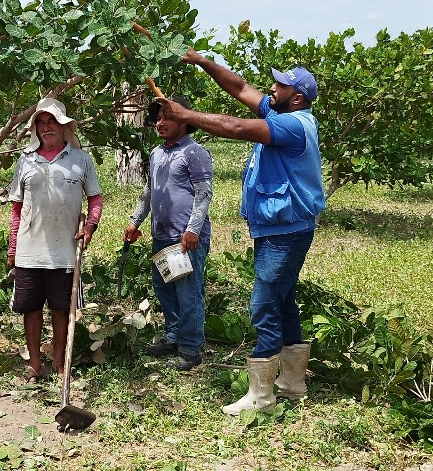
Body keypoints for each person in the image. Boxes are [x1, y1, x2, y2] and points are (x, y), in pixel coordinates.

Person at [159, 50, 326, 415]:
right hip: (283, 226)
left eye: (279, 85)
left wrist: (186, 115)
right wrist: (203, 62)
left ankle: (262, 397)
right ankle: (292, 383)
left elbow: (234, 127)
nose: (271, 88)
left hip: (286, 230)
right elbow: (239, 87)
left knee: (264, 303)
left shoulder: (292, 125)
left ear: (296, 97)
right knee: (282, 300)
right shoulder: (284, 112)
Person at [6, 97, 103, 382]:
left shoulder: (80, 160)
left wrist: (90, 226)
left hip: (64, 251)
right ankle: (35, 364)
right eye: (41, 123)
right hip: (29, 249)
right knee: (31, 309)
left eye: (53, 122)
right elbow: (16, 208)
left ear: (64, 126)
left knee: (62, 308)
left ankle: (60, 363)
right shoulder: (26, 160)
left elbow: (95, 198)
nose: (47, 127)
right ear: (35, 128)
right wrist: (13, 247)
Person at [124, 95, 213, 372]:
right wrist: (135, 221)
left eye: (167, 117)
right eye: (158, 118)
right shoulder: (157, 153)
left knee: (189, 293)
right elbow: (151, 192)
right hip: (162, 236)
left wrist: (192, 229)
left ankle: (190, 348)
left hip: (186, 239)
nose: (159, 123)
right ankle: (174, 336)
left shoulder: (194, 153)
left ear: (184, 120)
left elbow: (203, 193)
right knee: (166, 289)